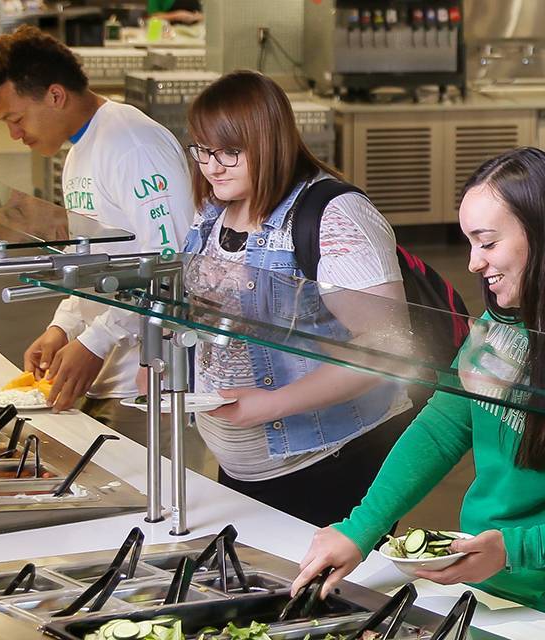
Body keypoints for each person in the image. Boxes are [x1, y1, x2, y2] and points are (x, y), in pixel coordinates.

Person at [290, 147, 545, 639]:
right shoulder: (508, 314)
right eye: (469, 243)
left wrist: (513, 550)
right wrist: (360, 529)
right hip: (488, 584)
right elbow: (444, 425)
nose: (473, 263)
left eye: (487, 243)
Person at [176, 70, 415, 526]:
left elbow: (387, 348)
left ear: (269, 142)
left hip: (331, 459)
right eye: (203, 150)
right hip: (247, 467)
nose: (212, 166)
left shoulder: (333, 216)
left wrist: (271, 405)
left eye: (229, 151)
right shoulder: (213, 207)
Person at [0, 25, 195, 412]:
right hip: (101, 372)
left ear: (55, 95)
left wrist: (96, 341)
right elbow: (89, 257)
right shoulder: (77, 151)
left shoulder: (132, 146)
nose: (13, 134)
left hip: (147, 383)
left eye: (16, 118)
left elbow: (170, 261)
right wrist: (64, 326)